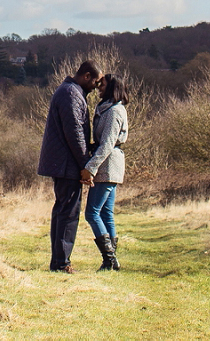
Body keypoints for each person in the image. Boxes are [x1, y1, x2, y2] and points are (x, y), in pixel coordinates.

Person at [36, 60, 100, 272]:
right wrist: (85, 165)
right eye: (96, 81)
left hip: (63, 162)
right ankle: (62, 263)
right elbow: (75, 133)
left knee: (62, 211)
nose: (97, 87)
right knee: (68, 214)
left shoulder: (69, 92)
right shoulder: (71, 94)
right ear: (87, 76)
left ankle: (58, 262)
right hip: (66, 164)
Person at [82, 73, 130, 271]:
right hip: (109, 164)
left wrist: (90, 168)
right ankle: (111, 262)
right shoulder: (109, 109)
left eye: (103, 84)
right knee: (106, 213)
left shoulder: (114, 112)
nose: (99, 87)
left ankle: (109, 259)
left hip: (108, 165)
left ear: (112, 87)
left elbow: (108, 143)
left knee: (92, 213)